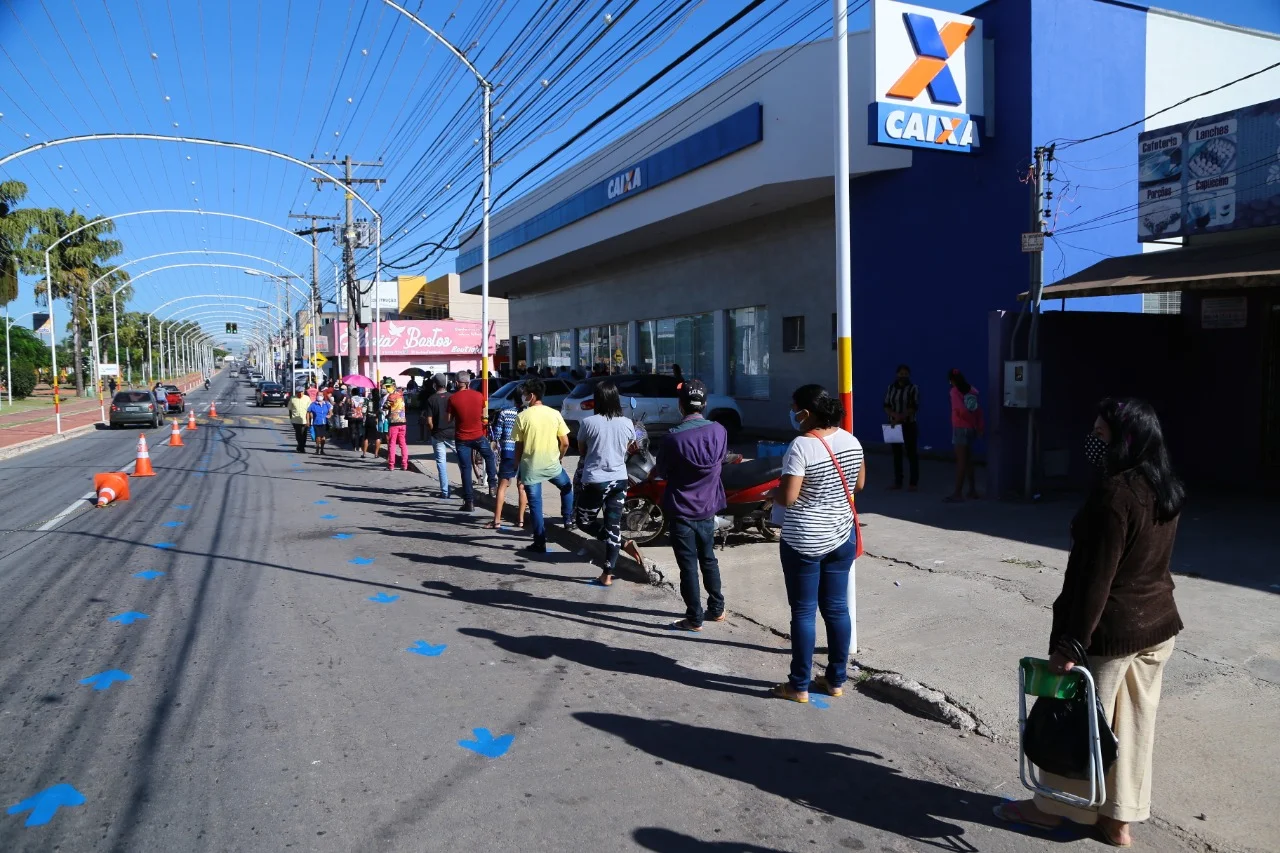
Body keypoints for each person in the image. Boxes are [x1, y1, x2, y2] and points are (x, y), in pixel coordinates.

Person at [995, 398, 1185, 849]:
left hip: (1112, 632)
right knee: (1133, 727)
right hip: (1158, 625)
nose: (1094, 444)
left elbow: (1096, 579)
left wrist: (1070, 646)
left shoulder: (1116, 494)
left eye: (1101, 436)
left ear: (1126, 441)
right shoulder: (1164, 487)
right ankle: (1118, 821)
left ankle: (1049, 808)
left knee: (1078, 723)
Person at [771, 384, 865, 702]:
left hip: (804, 541)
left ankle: (798, 686)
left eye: (793, 407)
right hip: (841, 536)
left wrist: (774, 491)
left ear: (806, 413)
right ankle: (836, 680)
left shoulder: (801, 446)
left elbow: (789, 496)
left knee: (804, 611)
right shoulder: (852, 441)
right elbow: (860, 483)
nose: (792, 414)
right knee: (837, 609)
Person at [656, 379, 727, 632]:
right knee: (709, 559)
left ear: (680, 405)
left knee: (688, 566)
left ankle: (694, 618)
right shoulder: (720, 430)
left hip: (682, 510)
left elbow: (662, 472)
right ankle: (717, 609)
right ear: (704, 404)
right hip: (708, 509)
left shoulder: (673, 438)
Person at [574, 380, 636, 586]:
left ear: (597, 400)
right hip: (619, 480)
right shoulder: (627, 423)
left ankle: (623, 542)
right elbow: (628, 448)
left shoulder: (588, 423)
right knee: (613, 525)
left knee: (584, 521)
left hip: (595, 481)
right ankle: (607, 574)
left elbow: (582, 451)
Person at [512, 378, 573, 553]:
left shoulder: (522, 417)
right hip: (552, 464)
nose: (523, 396)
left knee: (536, 505)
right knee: (567, 487)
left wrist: (517, 465)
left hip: (530, 467)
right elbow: (565, 442)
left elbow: (519, 445)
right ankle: (568, 519)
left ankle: (540, 542)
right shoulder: (554, 414)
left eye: (524, 394)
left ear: (531, 396)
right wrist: (560, 457)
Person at [448, 370, 496, 512]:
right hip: (478, 436)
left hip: (462, 439)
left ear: (457, 383)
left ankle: (469, 502)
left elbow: (449, 419)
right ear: (468, 382)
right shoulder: (479, 396)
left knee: (466, 469)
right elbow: (483, 413)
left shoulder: (453, 399)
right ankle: (492, 484)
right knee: (489, 456)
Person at [487, 397, 528, 531]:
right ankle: (521, 521)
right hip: (524, 454)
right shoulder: (527, 414)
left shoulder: (505, 413)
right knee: (521, 487)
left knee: (502, 487)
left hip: (509, 453)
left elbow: (497, 434)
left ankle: (497, 520)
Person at [946, 369, 985, 502]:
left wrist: (966, 419)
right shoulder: (972, 391)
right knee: (969, 460)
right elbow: (979, 412)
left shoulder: (954, 391)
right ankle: (972, 490)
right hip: (971, 430)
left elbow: (960, 410)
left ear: (951, 380)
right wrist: (978, 427)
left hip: (960, 428)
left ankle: (957, 493)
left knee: (961, 461)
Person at [883, 364, 919, 491]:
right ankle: (898, 482)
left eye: (905, 374)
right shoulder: (891, 388)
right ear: (897, 374)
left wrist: (901, 417)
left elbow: (914, 406)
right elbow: (886, 405)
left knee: (911, 454)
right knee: (896, 454)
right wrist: (893, 415)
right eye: (901, 373)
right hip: (894, 426)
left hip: (909, 424)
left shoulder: (913, 388)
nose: (903, 376)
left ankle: (913, 483)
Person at [425, 374, 455, 498]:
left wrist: (433, 432)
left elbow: (429, 421)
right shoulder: (452, 397)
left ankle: (445, 492)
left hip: (438, 436)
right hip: (453, 433)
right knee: (463, 462)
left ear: (434, 385)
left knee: (441, 463)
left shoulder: (431, 399)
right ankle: (466, 489)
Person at [384, 383, 409, 471]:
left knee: (392, 444)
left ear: (393, 387)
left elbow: (385, 407)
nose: (387, 388)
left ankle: (391, 465)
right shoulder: (401, 396)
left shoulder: (392, 396)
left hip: (394, 423)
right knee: (403, 444)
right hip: (403, 422)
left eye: (388, 387)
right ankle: (404, 464)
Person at [363, 386, 384, 461]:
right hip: (376, 420)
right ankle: (376, 454)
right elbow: (381, 411)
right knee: (377, 437)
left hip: (368, 419)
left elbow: (363, 410)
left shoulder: (368, 401)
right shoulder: (379, 402)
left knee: (366, 437)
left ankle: (364, 453)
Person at [288, 388, 311, 453]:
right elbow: (290, 409)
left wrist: (308, 420)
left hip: (304, 419)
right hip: (295, 420)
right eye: (298, 392)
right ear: (296, 393)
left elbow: (309, 411)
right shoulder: (293, 399)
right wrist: (291, 418)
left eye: (301, 392)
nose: (300, 394)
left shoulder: (307, 398)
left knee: (304, 434)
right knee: (298, 434)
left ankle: (301, 446)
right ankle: (301, 446)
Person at [348, 388, 368, 456]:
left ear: (352, 392)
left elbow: (349, 406)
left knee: (353, 432)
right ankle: (359, 447)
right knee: (360, 432)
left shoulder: (350, 399)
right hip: (360, 416)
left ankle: (353, 447)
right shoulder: (362, 399)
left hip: (352, 417)